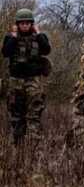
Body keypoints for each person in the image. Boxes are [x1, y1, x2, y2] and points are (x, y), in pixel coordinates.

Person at [2, 8, 51, 144]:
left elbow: (46, 50)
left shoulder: (39, 37)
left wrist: (39, 33)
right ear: (17, 24)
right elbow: (6, 52)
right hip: (16, 80)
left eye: (27, 23)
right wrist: (13, 36)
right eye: (21, 23)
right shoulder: (10, 37)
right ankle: (18, 145)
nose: (24, 25)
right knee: (16, 113)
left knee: (34, 112)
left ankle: (34, 145)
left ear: (32, 24)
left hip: (33, 80)